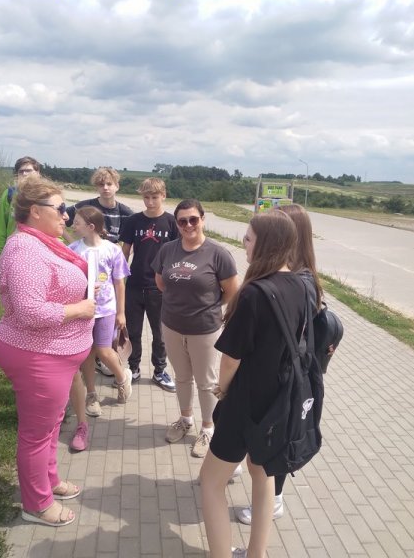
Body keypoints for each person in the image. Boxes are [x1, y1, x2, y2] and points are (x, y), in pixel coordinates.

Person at [200, 210, 306, 558]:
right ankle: (256, 553)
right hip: (280, 401)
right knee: (263, 475)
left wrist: (222, 389)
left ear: (266, 244)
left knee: (211, 482)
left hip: (245, 403)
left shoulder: (255, 293)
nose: (244, 244)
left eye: (248, 238)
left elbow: (230, 360)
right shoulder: (302, 285)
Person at [0, 177, 95, 527]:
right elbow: (30, 311)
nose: (67, 216)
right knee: (36, 434)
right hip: (36, 355)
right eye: (61, 209)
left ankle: (48, 481)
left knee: (50, 426)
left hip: (53, 355)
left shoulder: (43, 242)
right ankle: (36, 505)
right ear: (35, 211)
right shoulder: (25, 249)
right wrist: (80, 309)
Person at [235, 202, 323, 527]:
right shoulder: (295, 275)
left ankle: (274, 499)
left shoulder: (302, 280)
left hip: (286, 376)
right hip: (277, 373)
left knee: (278, 438)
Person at [152, 199, 239, 458]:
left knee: (206, 382)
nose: (188, 225)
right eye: (182, 221)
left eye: (193, 219)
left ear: (202, 219)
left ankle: (208, 428)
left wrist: (209, 307)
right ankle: (185, 419)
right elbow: (161, 282)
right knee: (181, 377)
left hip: (204, 329)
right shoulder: (168, 250)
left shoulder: (218, 253)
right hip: (172, 325)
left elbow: (231, 291)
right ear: (177, 224)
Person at [68, 206, 132, 449]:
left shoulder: (112, 250)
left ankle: (122, 378)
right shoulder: (73, 250)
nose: (73, 226)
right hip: (82, 310)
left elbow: (120, 283)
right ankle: (91, 394)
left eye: (77, 222)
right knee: (87, 353)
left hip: (106, 310)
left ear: (91, 226)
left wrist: (121, 312)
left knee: (104, 350)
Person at [65, 166, 133, 377]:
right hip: (86, 274)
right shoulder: (85, 207)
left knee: (105, 339)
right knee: (88, 344)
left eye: (109, 184)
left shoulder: (125, 212)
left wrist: (120, 253)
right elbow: (62, 218)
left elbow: (130, 240)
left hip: (109, 270)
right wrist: (73, 243)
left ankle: (111, 366)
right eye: (101, 184)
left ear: (117, 186)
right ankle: (91, 374)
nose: (105, 188)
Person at [122, 178, 177, 391]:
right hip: (134, 285)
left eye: (155, 197)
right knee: (133, 331)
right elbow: (125, 251)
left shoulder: (171, 222)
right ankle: (133, 367)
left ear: (163, 196)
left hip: (160, 287)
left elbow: (178, 253)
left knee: (160, 334)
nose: (150, 202)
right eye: (146, 197)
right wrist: (118, 279)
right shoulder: (133, 221)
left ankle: (159, 371)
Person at [0, 156, 41, 255]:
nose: (24, 174)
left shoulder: (45, 195)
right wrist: (0, 252)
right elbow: (1, 225)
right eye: (21, 171)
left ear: (37, 173)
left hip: (40, 251)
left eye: (28, 170)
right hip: (13, 250)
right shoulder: (9, 194)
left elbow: (55, 224)